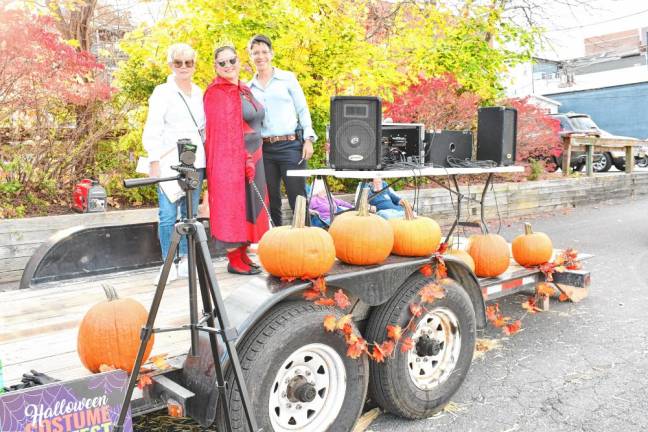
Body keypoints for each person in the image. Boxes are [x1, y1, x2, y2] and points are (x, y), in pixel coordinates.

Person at [142, 43, 206, 284]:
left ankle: (187, 259)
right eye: (178, 62)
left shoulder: (199, 92)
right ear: (170, 65)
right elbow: (153, 126)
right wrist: (153, 159)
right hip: (170, 158)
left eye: (188, 62)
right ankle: (170, 262)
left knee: (189, 213)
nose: (183, 67)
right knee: (167, 214)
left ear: (194, 65)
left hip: (195, 158)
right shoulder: (162, 92)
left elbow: (204, 128)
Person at [203, 44, 269, 275]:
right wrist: (242, 159)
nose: (228, 66)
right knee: (233, 206)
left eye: (232, 61)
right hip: (231, 161)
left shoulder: (243, 89)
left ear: (239, 62)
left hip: (255, 155)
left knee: (249, 207)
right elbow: (224, 134)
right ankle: (233, 258)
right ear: (215, 66)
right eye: (222, 63)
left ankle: (243, 253)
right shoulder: (216, 93)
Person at [247, 34, 317, 227]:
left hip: (291, 146)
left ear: (271, 54)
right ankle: (275, 243)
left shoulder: (287, 79)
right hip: (265, 150)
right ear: (250, 57)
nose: (260, 56)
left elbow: (302, 109)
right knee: (271, 201)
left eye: (263, 52)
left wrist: (308, 139)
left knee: (298, 196)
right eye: (255, 53)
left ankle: (306, 243)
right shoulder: (247, 88)